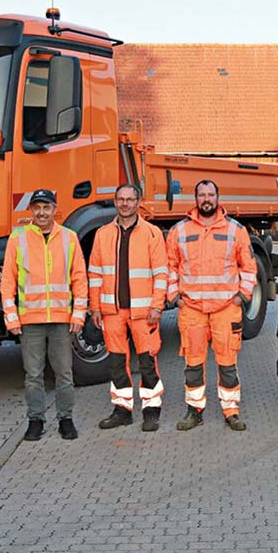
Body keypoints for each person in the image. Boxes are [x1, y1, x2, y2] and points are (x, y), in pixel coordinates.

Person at [166, 179, 258, 431]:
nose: (206, 199)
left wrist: (241, 296)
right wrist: (176, 298)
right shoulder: (179, 231)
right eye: (202, 195)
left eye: (210, 194)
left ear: (218, 197)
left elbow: (249, 268)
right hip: (192, 309)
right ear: (195, 199)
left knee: (227, 363)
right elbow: (170, 268)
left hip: (226, 308)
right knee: (193, 365)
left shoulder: (235, 230)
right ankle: (194, 411)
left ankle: (231, 411)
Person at [2, 189, 87, 441]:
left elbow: (79, 278)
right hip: (30, 321)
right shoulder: (17, 239)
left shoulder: (69, 238)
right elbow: (7, 281)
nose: (42, 212)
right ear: (31, 211)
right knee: (33, 375)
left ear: (54, 210)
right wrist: (11, 317)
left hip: (61, 320)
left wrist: (79, 315)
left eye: (46, 207)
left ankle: (66, 419)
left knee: (64, 373)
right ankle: (36, 420)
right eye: (37, 207)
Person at [90, 184, 168, 432]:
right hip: (112, 311)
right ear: (115, 202)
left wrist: (157, 305)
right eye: (120, 199)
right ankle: (122, 410)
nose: (125, 204)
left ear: (138, 202)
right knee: (116, 362)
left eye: (130, 199)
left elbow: (161, 274)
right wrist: (95, 307)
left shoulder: (152, 234)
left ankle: (151, 411)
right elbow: (95, 274)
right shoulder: (102, 234)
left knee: (147, 361)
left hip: (143, 312)